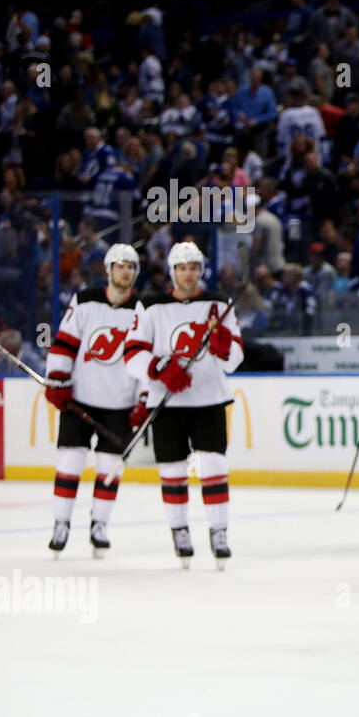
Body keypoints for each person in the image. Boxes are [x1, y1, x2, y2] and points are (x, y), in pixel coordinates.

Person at [123, 241, 244, 568]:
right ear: (172, 271)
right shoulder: (149, 306)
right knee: (173, 470)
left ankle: (219, 532)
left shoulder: (219, 305)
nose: (188, 274)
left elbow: (235, 360)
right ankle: (179, 531)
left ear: (200, 270)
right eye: (182, 268)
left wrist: (222, 347)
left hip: (209, 399)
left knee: (214, 466)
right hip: (169, 403)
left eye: (193, 268)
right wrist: (159, 368)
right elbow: (132, 354)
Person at [43, 244, 143, 557]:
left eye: (131, 266)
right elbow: (64, 344)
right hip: (81, 398)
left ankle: (99, 525)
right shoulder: (85, 301)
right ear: (109, 269)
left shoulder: (143, 310)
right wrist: (58, 380)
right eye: (120, 265)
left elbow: (144, 358)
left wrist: (143, 400)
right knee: (69, 461)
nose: (125, 271)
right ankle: (61, 523)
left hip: (120, 403)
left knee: (110, 467)